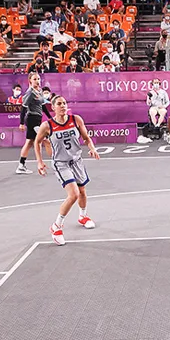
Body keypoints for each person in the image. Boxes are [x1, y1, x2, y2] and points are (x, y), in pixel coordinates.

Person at [34, 95, 100, 245]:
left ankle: (83, 216)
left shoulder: (76, 119)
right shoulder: (47, 125)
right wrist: (39, 162)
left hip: (76, 161)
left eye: (64, 103)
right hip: (61, 163)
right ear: (53, 107)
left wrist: (92, 148)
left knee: (82, 191)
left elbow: (86, 138)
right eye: (59, 104)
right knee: (74, 194)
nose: (63, 106)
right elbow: (37, 143)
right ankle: (56, 226)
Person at [17, 72, 46, 174]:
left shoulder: (40, 91)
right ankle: (49, 163)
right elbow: (23, 108)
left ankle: (21, 165)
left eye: (38, 79)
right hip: (32, 119)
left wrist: (52, 118)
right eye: (35, 79)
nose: (37, 81)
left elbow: (43, 106)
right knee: (44, 140)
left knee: (29, 142)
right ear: (30, 81)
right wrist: (21, 123)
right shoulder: (30, 93)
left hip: (38, 118)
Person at [139, 78, 170, 144]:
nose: (156, 84)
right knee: (152, 113)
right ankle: (155, 125)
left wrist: (163, 106)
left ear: (159, 84)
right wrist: (149, 101)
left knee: (163, 112)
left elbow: (168, 102)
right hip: (153, 107)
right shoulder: (150, 93)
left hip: (161, 107)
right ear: (152, 84)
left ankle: (158, 125)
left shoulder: (163, 92)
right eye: (154, 83)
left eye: (157, 83)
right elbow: (148, 103)